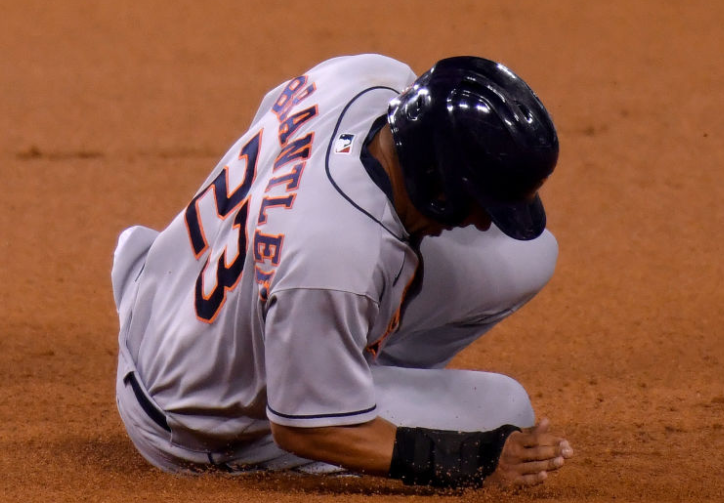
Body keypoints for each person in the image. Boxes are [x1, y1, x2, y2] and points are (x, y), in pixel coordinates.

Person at [110, 53, 576, 487]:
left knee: (529, 257)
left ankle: (333, 361)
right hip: (189, 415)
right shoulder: (334, 256)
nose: (482, 220)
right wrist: (470, 458)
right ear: (436, 181)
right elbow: (312, 431)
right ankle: (326, 378)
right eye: (479, 202)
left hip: (172, 290)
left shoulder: (368, 79)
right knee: (504, 408)